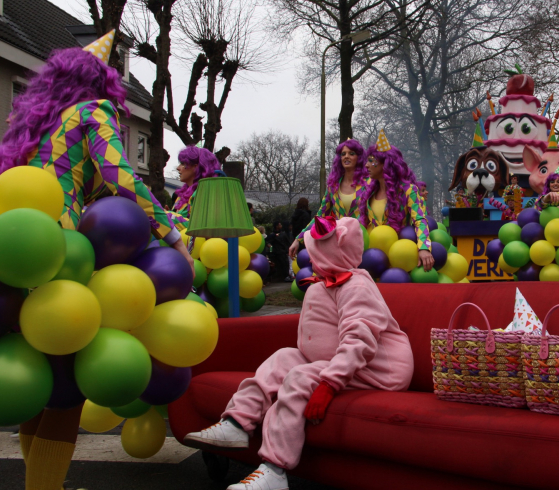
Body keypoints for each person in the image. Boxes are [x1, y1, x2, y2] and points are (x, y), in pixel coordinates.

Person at [0, 35, 193, 490]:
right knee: (64, 390)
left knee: (36, 383)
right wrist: (170, 230)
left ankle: (41, 482)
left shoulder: (30, 124)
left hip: (15, 251)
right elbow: (121, 177)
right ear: (100, 82)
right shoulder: (92, 112)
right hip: (60, 255)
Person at [183, 216, 414, 490]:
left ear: (330, 254)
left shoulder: (357, 287)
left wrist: (329, 383)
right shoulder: (325, 283)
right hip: (336, 360)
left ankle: (275, 469)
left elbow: (360, 340)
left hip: (379, 369)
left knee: (299, 377)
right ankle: (237, 422)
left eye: (314, 252)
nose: (308, 258)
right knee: (282, 357)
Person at [360, 131, 433, 270]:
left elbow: (420, 220)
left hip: (398, 258)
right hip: (371, 259)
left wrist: (424, 248)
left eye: (371, 161)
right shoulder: (368, 192)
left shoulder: (408, 190)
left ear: (385, 163)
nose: (366, 165)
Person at [288, 140, 369, 257]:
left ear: (359, 157)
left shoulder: (369, 184)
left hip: (363, 243)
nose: (346, 156)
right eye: (343, 154)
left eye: (351, 153)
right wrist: (298, 239)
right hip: (338, 244)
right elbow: (320, 216)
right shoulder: (333, 186)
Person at [169, 145, 221, 228]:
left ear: (196, 167)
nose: (178, 168)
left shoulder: (204, 193)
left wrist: (166, 216)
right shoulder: (182, 194)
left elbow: (198, 227)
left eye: (183, 164)